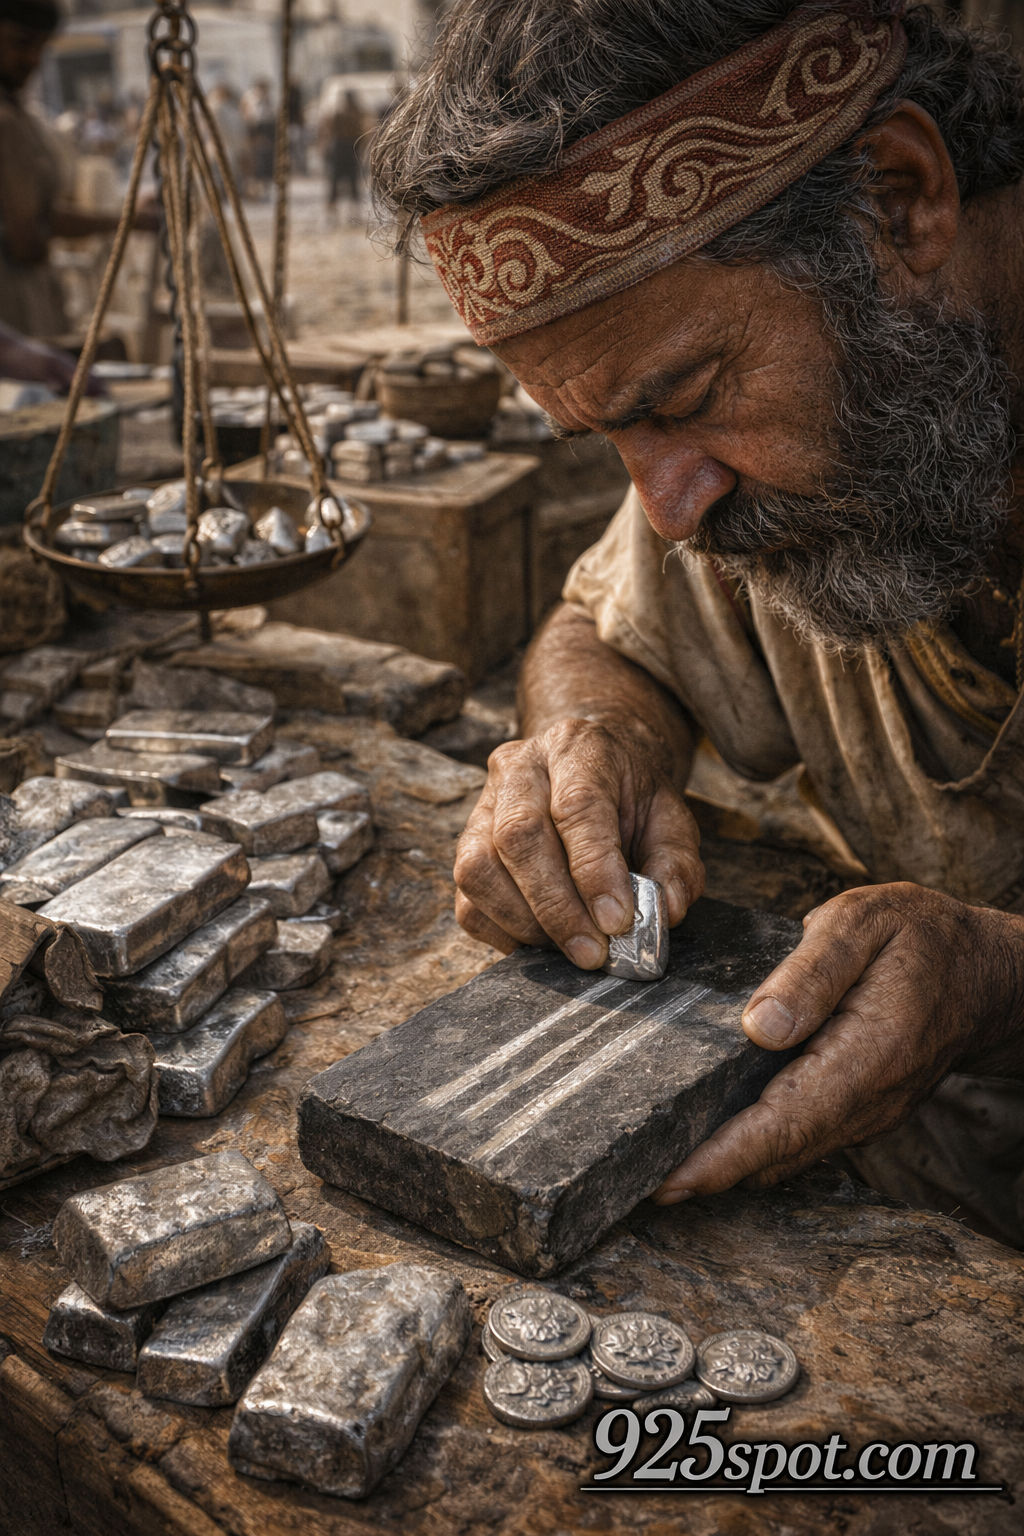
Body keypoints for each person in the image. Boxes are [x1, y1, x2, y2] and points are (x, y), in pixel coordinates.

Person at [372, 0, 1024, 1248]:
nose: (668, 510)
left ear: (899, 199)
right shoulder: (782, 437)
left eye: (680, 397)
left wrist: (999, 978)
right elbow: (604, 633)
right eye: (610, 434)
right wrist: (591, 741)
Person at [0, 0, 158, 339]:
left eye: (40, 47)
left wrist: (129, 220)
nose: (31, 59)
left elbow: (44, 216)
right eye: (20, 43)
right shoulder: (6, 123)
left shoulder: (20, 115)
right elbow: (26, 240)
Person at [321, 88, 364, 220]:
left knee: (348, 183)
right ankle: (334, 214)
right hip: (343, 150)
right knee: (337, 183)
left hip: (347, 149)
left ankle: (351, 214)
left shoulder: (352, 114)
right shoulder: (347, 115)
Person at [240, 76, 275, 199]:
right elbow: (247, 119)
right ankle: (254, 191)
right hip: (254, 132)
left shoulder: (268, 101)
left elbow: (272, 118)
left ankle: (265, 188)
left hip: (267, 132)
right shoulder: (249, 99)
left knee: (267, 163)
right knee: (256, 164)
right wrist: (254, 138)